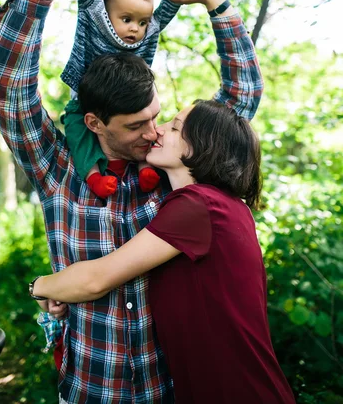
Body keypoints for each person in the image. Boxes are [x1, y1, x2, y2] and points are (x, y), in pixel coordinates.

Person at [0, 0, 264, 404]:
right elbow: (8, 86)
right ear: (94, 122)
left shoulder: (172, 170)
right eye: (137, 125)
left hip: (171, 387)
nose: (155, 132)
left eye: (158, 116)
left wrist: (215, 1)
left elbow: (241, 101)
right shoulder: (57, 169)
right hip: (93, 387)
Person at [30, 99, 296, 404]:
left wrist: (40, 286)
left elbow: (96, 279)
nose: (157, 131)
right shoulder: (221, 205)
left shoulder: (199, 207)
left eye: (174, 127)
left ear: (201, 146)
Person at [60, 0, 189, 199]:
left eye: (142, 22)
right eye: (127, 19)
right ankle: (93, 174)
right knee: (76, 132)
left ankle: (144, 168)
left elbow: (161, 17)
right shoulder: (96, 23)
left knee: (147, 132)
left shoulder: (144, 37)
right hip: (87, 100)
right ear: (107, 14)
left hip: (132, 99)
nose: (135, 29)